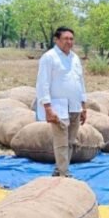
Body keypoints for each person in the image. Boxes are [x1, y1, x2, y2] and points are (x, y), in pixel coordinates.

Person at [35, 26, 87, 177]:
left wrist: (84, 106)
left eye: (71, 39)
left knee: (70, 141)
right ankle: (64, 173)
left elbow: (80, 82)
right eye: (65, 39)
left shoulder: (75, 58)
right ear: (56, 40)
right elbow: (42, 83)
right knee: (61, 142)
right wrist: (48, 107)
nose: (69, 42)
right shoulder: (49, 57)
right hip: (58, 106)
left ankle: (60, 169)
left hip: (75, 106)